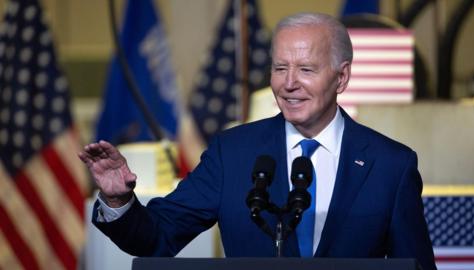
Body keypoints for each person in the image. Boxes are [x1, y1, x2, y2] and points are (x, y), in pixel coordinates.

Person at [79, 12, 437, 270]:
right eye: (280, 68)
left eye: (306, 69)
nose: (288, 83)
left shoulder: (391, 165)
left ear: (341, 78)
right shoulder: (232, 153)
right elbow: (156, 240)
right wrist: (118, 200)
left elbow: (417, 266)